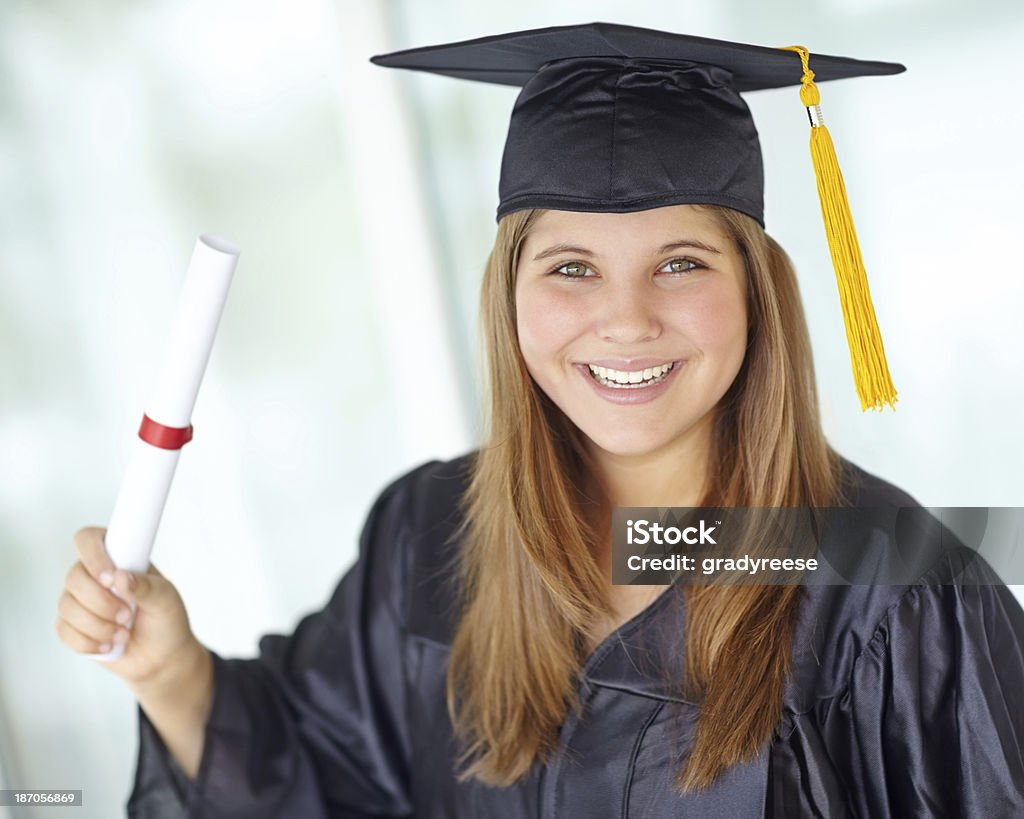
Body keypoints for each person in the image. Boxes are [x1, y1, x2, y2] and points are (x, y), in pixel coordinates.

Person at [56, 23, 1024, 818]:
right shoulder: (431, 538)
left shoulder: (901, 598)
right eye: (569, 268)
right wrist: (169, 668)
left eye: (681, 262)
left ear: (758, 292)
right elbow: (311, 773)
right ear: (507, 296)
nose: (626, 319)